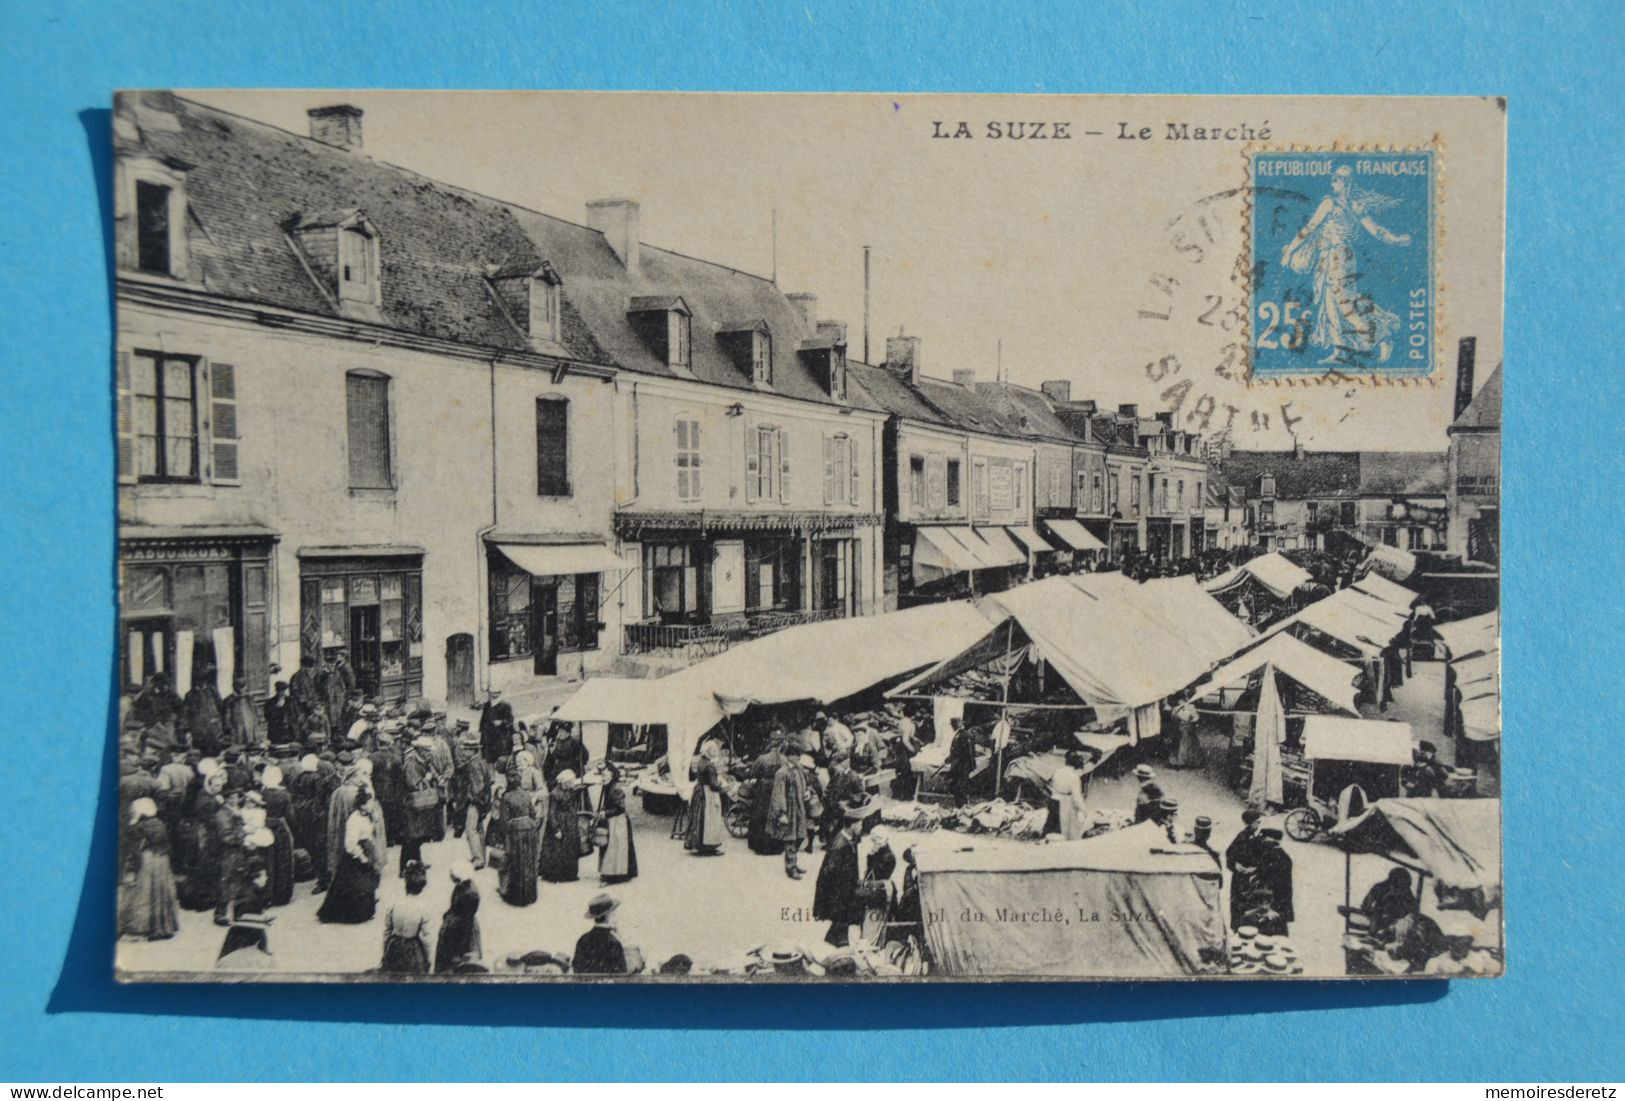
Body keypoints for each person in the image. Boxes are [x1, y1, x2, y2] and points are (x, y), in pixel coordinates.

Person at [814, 794, 879, 947]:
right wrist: (840, 891)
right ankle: (838, 950)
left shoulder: (848, 840)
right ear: (852, 825)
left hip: (844, 894)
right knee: (840, 924)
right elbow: (830, 872)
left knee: (841, 926)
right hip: (839, 896)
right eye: (860, 824)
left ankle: (837, 945)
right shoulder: (840, 845)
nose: (861, 827)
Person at [317, 786, 381, 924]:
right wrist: (362, 858)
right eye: (369, 802)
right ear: (362, 804)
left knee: (368, 881)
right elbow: (351, 844)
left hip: (368, 850)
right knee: (356, 885)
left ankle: (367, 911)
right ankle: (353, 915)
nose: (372, 805)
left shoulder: (368, 815)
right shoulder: (354, 819)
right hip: (356, 856)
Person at [119, 797, 179, 941]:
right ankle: (163, 926)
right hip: (162, 860)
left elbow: (134, 850)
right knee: (160, 893)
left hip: (147, 861)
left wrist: (130, 869)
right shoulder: (159, 823)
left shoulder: (137, 827)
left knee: (144, 893)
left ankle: (143, 927)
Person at [496, 769, 542, 906]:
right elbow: (533, 814)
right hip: (529, 829)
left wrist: (502, 836)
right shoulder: (526, 795)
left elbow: (504, 820)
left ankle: (516, 896)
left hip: (515, 832)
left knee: (515, 862)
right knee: (529, 861)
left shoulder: (507, 797)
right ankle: (530, 894)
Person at [380, 860, 433, 974]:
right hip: (413, 949)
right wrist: (428, 959)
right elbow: (426, 939)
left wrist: (385, 953)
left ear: (406, 882)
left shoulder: (394, 903)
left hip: (394, 947)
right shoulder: (423, 908)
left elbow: (386, 932)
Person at [400, 735, 442, 875]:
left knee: (418, 836)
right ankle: (404, 867)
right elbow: (413, 783)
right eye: (428, 751)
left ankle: (417, 861)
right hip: (411, 805)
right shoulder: (411, 763)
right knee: (411, 837)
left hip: (419, 805)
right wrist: (426, 779)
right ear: (420, 750)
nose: (430, 753)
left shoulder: (424, 761)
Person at [539, 770, 588, 883]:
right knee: (558, 851)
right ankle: (556, 876)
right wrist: (556, 829)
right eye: (570, 782)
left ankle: (570, 874)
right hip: (560, 823)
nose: (572, 784)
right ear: (564, 782)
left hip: (570, 823)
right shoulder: (555, 794)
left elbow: (578, 788)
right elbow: (551, 813)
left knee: (571, 848)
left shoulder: (570, 790)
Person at [435, 862, 484, 973]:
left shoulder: (470, 895)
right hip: (456, 922)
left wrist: (459, 951)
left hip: (460, 928)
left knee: (457, 963)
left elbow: (466, 925)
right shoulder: (463, 886)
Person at [457, 726, 496, 868]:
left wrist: (471, 799)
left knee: (471, 830)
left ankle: (477, 858)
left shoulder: (473, 764)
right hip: (484, 801)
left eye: (466, 749)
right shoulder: (482, 762)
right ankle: (481, 857)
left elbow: (477, 786)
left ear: (472, 750)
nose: (464, 751)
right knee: (479, 830)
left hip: (475, 802)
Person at [746, 731, 790, 856]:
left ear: (770, 743)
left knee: (761, 814)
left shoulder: (762, 758)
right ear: (781, 744)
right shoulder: (784, 759)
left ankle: (759, 845)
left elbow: (752, 772)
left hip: (763, 789)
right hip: (779, 788)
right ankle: (775, 845)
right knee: (776, 814)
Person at [769, 748, 811, 879]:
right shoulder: (782, 773)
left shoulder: (799, 770)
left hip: (799, 808)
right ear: (788, 756)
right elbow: (778, 793)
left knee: (800, 836)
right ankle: (791, 867)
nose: (798, 757)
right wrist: (782, 813)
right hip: (789, 809)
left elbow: (805, 783)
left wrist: (808, 791)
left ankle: (794, 863)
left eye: (799, 754)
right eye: (795, 754)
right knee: (790, 839)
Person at [258, 766, 296, 906]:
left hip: (264, 828)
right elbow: (290, 816)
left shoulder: (260, 793)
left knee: (268, 861)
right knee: (283, 860)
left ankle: (267, 894)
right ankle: (282, 894)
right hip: (280, 829)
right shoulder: (284, 795)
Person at [594, 764, 638, 885]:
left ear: (612, 776)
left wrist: (606, 813)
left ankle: (613, 874)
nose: (604, 777)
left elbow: (620, 808)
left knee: (615, 848)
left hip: (618, 822)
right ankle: (613, 873)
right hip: (613, 820)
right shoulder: (609, 787)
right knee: (613, 847)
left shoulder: (616, 789)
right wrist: (604, 809)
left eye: (606, 775)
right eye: (603, 775)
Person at [1225, 808, 1266, 929]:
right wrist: (1236, 865)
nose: (1259, 824)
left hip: (1253, 879)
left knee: (1252, 909)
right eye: (1257, 822)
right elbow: (1230, 853)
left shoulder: (1260, 837)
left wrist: (1255, 869)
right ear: (1250, 823)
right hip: (1240, 879)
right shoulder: (1242, 836)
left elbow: (1266, 860)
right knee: (1238, 907)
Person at [683, 741, 727, 856]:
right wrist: (722, 786)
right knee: (710, 819)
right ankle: (709, 846)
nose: (715, 752)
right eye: (713, 750)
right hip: (708, 793)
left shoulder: (701, 761)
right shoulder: (709, 765)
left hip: (699, 790)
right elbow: (713, 784)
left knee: (699, 818)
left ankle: (699, 845)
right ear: (708, 751)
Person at [1250, 828, 1295, 936]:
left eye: (1265, 840)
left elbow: (1270, 878)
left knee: (1276, 928)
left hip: (1276, 900)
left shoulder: (1278, 857)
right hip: (1274, 899)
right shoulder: (1275, 854)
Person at [573, 894, 632, 975]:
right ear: (608, 917)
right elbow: (621, 973)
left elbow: (577, 968)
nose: (617, 918)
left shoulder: (583, 939)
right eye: (614, 914)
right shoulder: (613, 941)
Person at [1361, 867, 1420, 939]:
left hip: (1397, 919)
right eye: (1398, 886)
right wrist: (1370, 910)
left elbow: (1413, 909)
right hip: (1379, 916)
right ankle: (1373, 935)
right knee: (1378, 912)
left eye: (1403, 888)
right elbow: (1367, 903)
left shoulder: (1406, 892)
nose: (1400, 890)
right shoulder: (1379, 888)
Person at [1048, 750, 1088, 840]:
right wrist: (1084, 811)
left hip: (1054, 800)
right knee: (1065, 830)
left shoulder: (1057, 772)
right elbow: (1077, 796)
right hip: (1065, 803)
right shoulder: (1074, 776)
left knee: (1052, 831)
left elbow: (1053, 786)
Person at [183, 673, 226, 758]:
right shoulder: (190, 695)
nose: (201, 683)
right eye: (198, 681)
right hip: (198, 729)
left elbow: (221, 707)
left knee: (215, 750)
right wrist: (187, 729)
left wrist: (217, 721)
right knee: (200, 751)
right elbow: (185, 713)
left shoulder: (212, 692)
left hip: (212, 727)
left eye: (203, 681)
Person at [289, 655, 326, 737]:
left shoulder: (308, 676)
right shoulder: (296, 677)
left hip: (310, 705)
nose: (310, 669)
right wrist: (305, 701)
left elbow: (312, 691)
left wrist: (315, 701)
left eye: (311, 667)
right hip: (300, 707)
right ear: (303, 666)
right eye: (308, 667)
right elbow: (295, 692)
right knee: (302, 725)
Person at [945, 717, 979, 808]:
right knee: (958, 785)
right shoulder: (959, 735)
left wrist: (951, 758)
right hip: (959, 765)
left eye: (953, 725)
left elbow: (966, 752)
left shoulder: (965, 735)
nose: (952, 727)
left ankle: (963, 806)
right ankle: (960, 805)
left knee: (961, 786)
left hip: (963, 765)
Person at [479, 689, 515, 764]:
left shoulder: (505, 705)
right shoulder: (487, 705)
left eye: (496, 692)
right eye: (492, 692)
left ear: (499, 693)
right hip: (488, 734)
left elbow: (510, 720)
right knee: (488, 756)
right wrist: (482, 730)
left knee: (499, 754)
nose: (493, 694)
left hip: (500, 734)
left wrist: (502, 722)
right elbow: (483, 718)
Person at [264, 681, 297, 747]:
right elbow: (267, 717)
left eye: (283, 691)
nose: (282, 693)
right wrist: (276, 708)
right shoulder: (270, 702)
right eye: (280, 691)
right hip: (276, 731)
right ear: (276, 691)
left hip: (288, 731)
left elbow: (295, 715)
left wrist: (290, 723)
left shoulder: (290, 701)